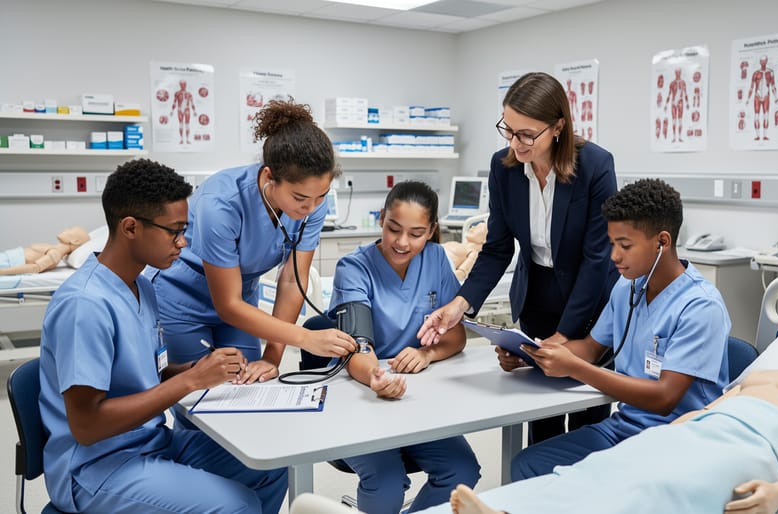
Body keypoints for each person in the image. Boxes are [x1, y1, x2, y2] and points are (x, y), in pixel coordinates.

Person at [433, 310, 778, 514]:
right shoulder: (756, 377)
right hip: (696, 433)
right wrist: (661, 441)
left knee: (656, 488)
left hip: (753, 449)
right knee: (606, 469)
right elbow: (707, 411)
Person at [39, 159, 288, 513]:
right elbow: (87, 426)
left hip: (149, 442)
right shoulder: (85, 306)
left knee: (269, 465)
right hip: (96, 468)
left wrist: (199, 369)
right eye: (174, 231)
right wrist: (189, 382)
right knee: (237, 506)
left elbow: (145, 374)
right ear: (130, 228)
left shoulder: (142, 286)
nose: (184, 242)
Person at [417, 71, 619, 445]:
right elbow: (497, 248)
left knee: (585, 421)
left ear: (558, 126)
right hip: (537, 299)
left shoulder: (594, 166)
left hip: (589, 303)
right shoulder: (504, 167)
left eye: (526, 134)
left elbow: (597, 259)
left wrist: (564, 337)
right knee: (540, 419)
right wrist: (459, 304)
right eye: (508, 130)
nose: (515, 142)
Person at [509, 178, 731, 481]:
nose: (614, 256)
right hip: (625, 428)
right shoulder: (627, 288)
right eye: (612, 243)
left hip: (678, 438)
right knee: (530, 463)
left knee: (592, 482)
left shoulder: (701, 306)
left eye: (625, 245)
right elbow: (589, 349)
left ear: (662, 242)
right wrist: (530, 353)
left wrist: (574, 368)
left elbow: (665, 398)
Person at [153, 100, 356, 392]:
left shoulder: (313, 206)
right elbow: (227, 304)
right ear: (269, 177)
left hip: (241, 300)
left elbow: (290, 281)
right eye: (300, 199)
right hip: (183, 299)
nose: (311, 208)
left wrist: (273, 356)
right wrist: (305, 337)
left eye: (321, 196)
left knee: (248, 389)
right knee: (197, 397)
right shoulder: (221, 204)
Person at [329, 181, 481, 514]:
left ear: (431, 231)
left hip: (414, 397)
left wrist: (427, 353)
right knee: (385, 481)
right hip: (358, 393)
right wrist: (376, 378)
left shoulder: (436, 259)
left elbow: (455, 337)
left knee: (462, 471)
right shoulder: (354, 268)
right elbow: (357, 346)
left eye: (415, 233)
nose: (401, 242)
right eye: (393, 228)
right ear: (381, 218)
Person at [0, 226, 89, 276]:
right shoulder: (54, 250)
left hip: (7, 263)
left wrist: (2, 272)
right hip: (6, 258)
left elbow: (34, 268)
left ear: (75, 241)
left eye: (70, 229)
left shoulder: (55, 254)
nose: (66, 229)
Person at [745, 55, 778, 141]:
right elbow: (751, 87)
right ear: (760, 62)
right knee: (756, 117)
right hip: (757, 96)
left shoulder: (770, 72)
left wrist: (776, 97)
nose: (763, 62)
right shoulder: (755, 73)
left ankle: (765, 135)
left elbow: (773, 85)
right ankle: (757, 136)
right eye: (761, 61)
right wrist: (748, 99)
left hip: (766, 96)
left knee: (766, 117)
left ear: (767, 61)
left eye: (764, 61)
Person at [664, 68, 689, 143]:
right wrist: (666, 104)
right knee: (674, 120)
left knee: (680, 120)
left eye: (679, 72)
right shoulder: (672, 83)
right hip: (673, 103)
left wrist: (687, 103)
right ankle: (674, 137)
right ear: (675, 73)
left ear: (680, 73)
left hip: (680, 102)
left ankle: (680, 137)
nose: (678, 73)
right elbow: (669, 94)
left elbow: (685, 93)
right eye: (677, 72)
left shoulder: (683, 82)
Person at [170, 79, 197, 144]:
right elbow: (174, 102)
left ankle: (187, 139)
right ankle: (181, 139)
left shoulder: (189, 94)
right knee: (181, 124)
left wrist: (194, 111)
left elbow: (192, 103)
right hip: (180, 110)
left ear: (186, 85)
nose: (183, 86)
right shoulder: (177, 93)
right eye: (182, 84)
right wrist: (172, 111)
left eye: (184, 84)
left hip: (187, 109)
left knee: (187, 124)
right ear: (180, 85)